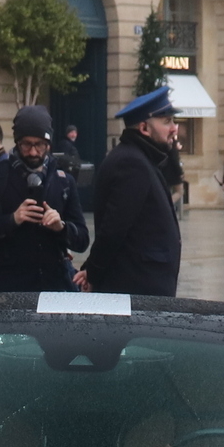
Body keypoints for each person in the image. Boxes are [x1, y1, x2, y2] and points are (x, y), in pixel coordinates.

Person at [0, 104, 90, 294]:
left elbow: (82, 240)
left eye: (39, 145)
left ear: (48, 144)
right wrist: (11, 220)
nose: (33, 152)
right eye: (26, 144)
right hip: (6, 290)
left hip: (53, 288)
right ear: (17, 142)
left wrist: (61, 227)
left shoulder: (63, 181)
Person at [80, 87, 186, 297]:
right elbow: (113, 228)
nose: (174, 128)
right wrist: (92, 272)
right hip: (138, 288)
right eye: (167, 121)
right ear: (144, 128)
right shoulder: (131, 163)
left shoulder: (142, 158)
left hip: (144, 285)